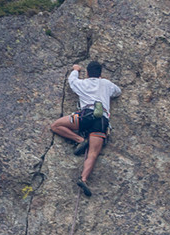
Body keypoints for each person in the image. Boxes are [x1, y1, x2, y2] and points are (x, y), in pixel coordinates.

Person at [50, 61, 121, 197]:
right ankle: (83, 179)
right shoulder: (106, 84)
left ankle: (80, 140)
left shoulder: (82, 84)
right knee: (93, 153)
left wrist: (76, 70)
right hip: (101, 121)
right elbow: (118, 92)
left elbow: (72, 81)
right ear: (100, 73)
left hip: (85, 116)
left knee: (56, 125)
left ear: (87, 73)